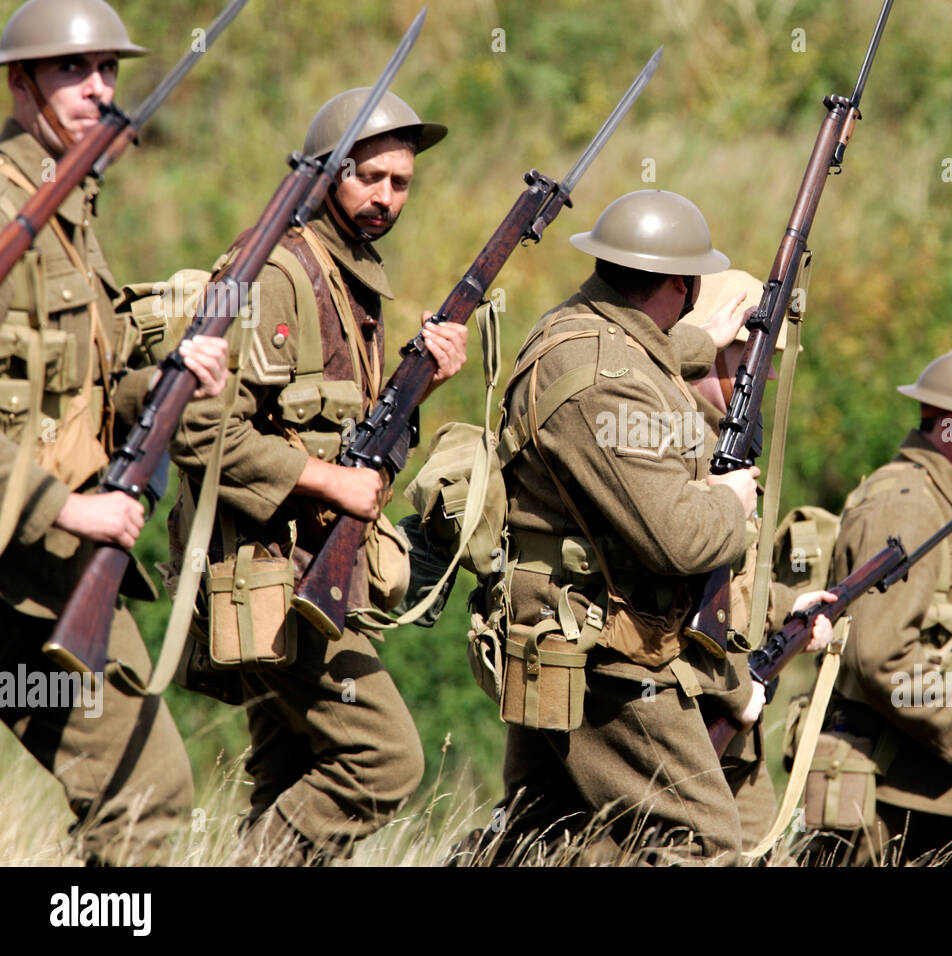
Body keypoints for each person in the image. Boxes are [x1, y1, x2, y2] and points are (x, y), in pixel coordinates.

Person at [168, 87, 468, 864]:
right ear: (329, 173)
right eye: (370, 177)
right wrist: (329, 485)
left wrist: (420, 389)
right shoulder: (272, 272)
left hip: (310, 577)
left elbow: (347, 433)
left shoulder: (346, 275)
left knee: (285, 771)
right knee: (386, 759)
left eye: (400, 183)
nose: (386, 198)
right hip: (270, 578)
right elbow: (199, 428)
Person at [0, 0, 231, 865]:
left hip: (49, 564)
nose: (98, 89)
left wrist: (166, 384)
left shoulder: (71, 211)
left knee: (146, 796)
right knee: (141, 800)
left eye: (108, 71)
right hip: (30, 557)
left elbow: (76, 390)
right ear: (20, 83)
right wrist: (69, 511)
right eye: (72, 70)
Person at [487, 189, 761, 864]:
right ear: (680, 281)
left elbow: (649, 351)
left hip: (566, 622)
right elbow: (682, 539)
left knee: (548, 833)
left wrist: (706, 343)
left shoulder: (577, 329)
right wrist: (733, 502)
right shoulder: (603, 379)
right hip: (602, 640)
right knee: (704, 842)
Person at [804, 351, 952, 866]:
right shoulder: (909, 505)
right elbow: (877, 654)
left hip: (919, 784)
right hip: (886, 791)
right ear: (950, 430)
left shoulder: (943, 501)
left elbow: (936, 629)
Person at [678, 267, 835, 850]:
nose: (766, 370)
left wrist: (787, 606)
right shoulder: (670, 438)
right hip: (687, 714)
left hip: (731, 721)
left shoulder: (726, 440)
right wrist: (735, 690)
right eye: (750, 352)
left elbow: (728, 586)